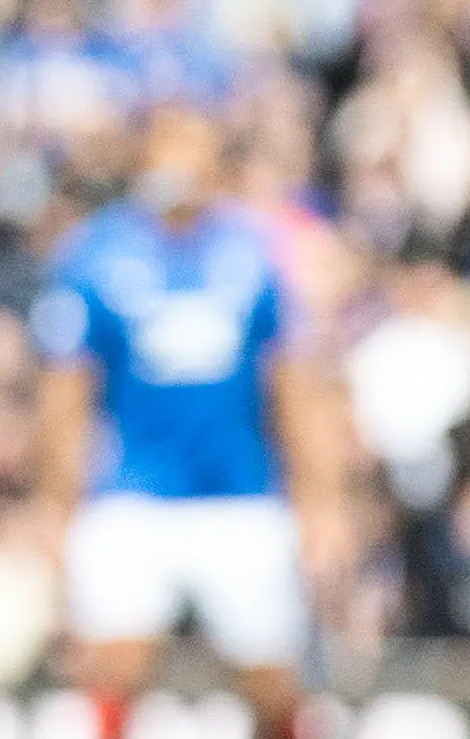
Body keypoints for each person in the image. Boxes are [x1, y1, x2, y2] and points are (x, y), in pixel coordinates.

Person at [35, 102, 340, 739]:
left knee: (271, 681)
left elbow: (291, 385)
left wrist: (319, 500)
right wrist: (56, 507)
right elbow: (67, 395)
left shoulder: (253, 253)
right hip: (132, 490)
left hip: (239, 491)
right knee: (116, 662)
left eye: (195, 147)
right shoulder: (97, 254)